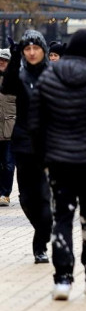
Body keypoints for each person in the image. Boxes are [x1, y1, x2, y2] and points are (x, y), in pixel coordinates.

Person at [29, 29, 86, 300]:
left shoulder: (49, 78)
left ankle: (62, 279)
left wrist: (43, 156)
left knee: (62, 217)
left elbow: (35, 122)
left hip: (58, 162)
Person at [1, 30, 53, 264]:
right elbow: (7, 87)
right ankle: (41, 228)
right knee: (26, 198)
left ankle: (40, 243)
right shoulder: (19, 74)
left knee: (44, 196)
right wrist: (13, 60)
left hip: (47, 144)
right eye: (27, 49)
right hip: (23, 143)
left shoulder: (53, 75)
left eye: (35, 48)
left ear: (43, 50)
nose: (31, 53)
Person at [0, 48, 16, 206]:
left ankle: (5, 194)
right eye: (0, 59)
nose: (2, 62)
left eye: (5, 60)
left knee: (9, 164)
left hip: (11, 130)